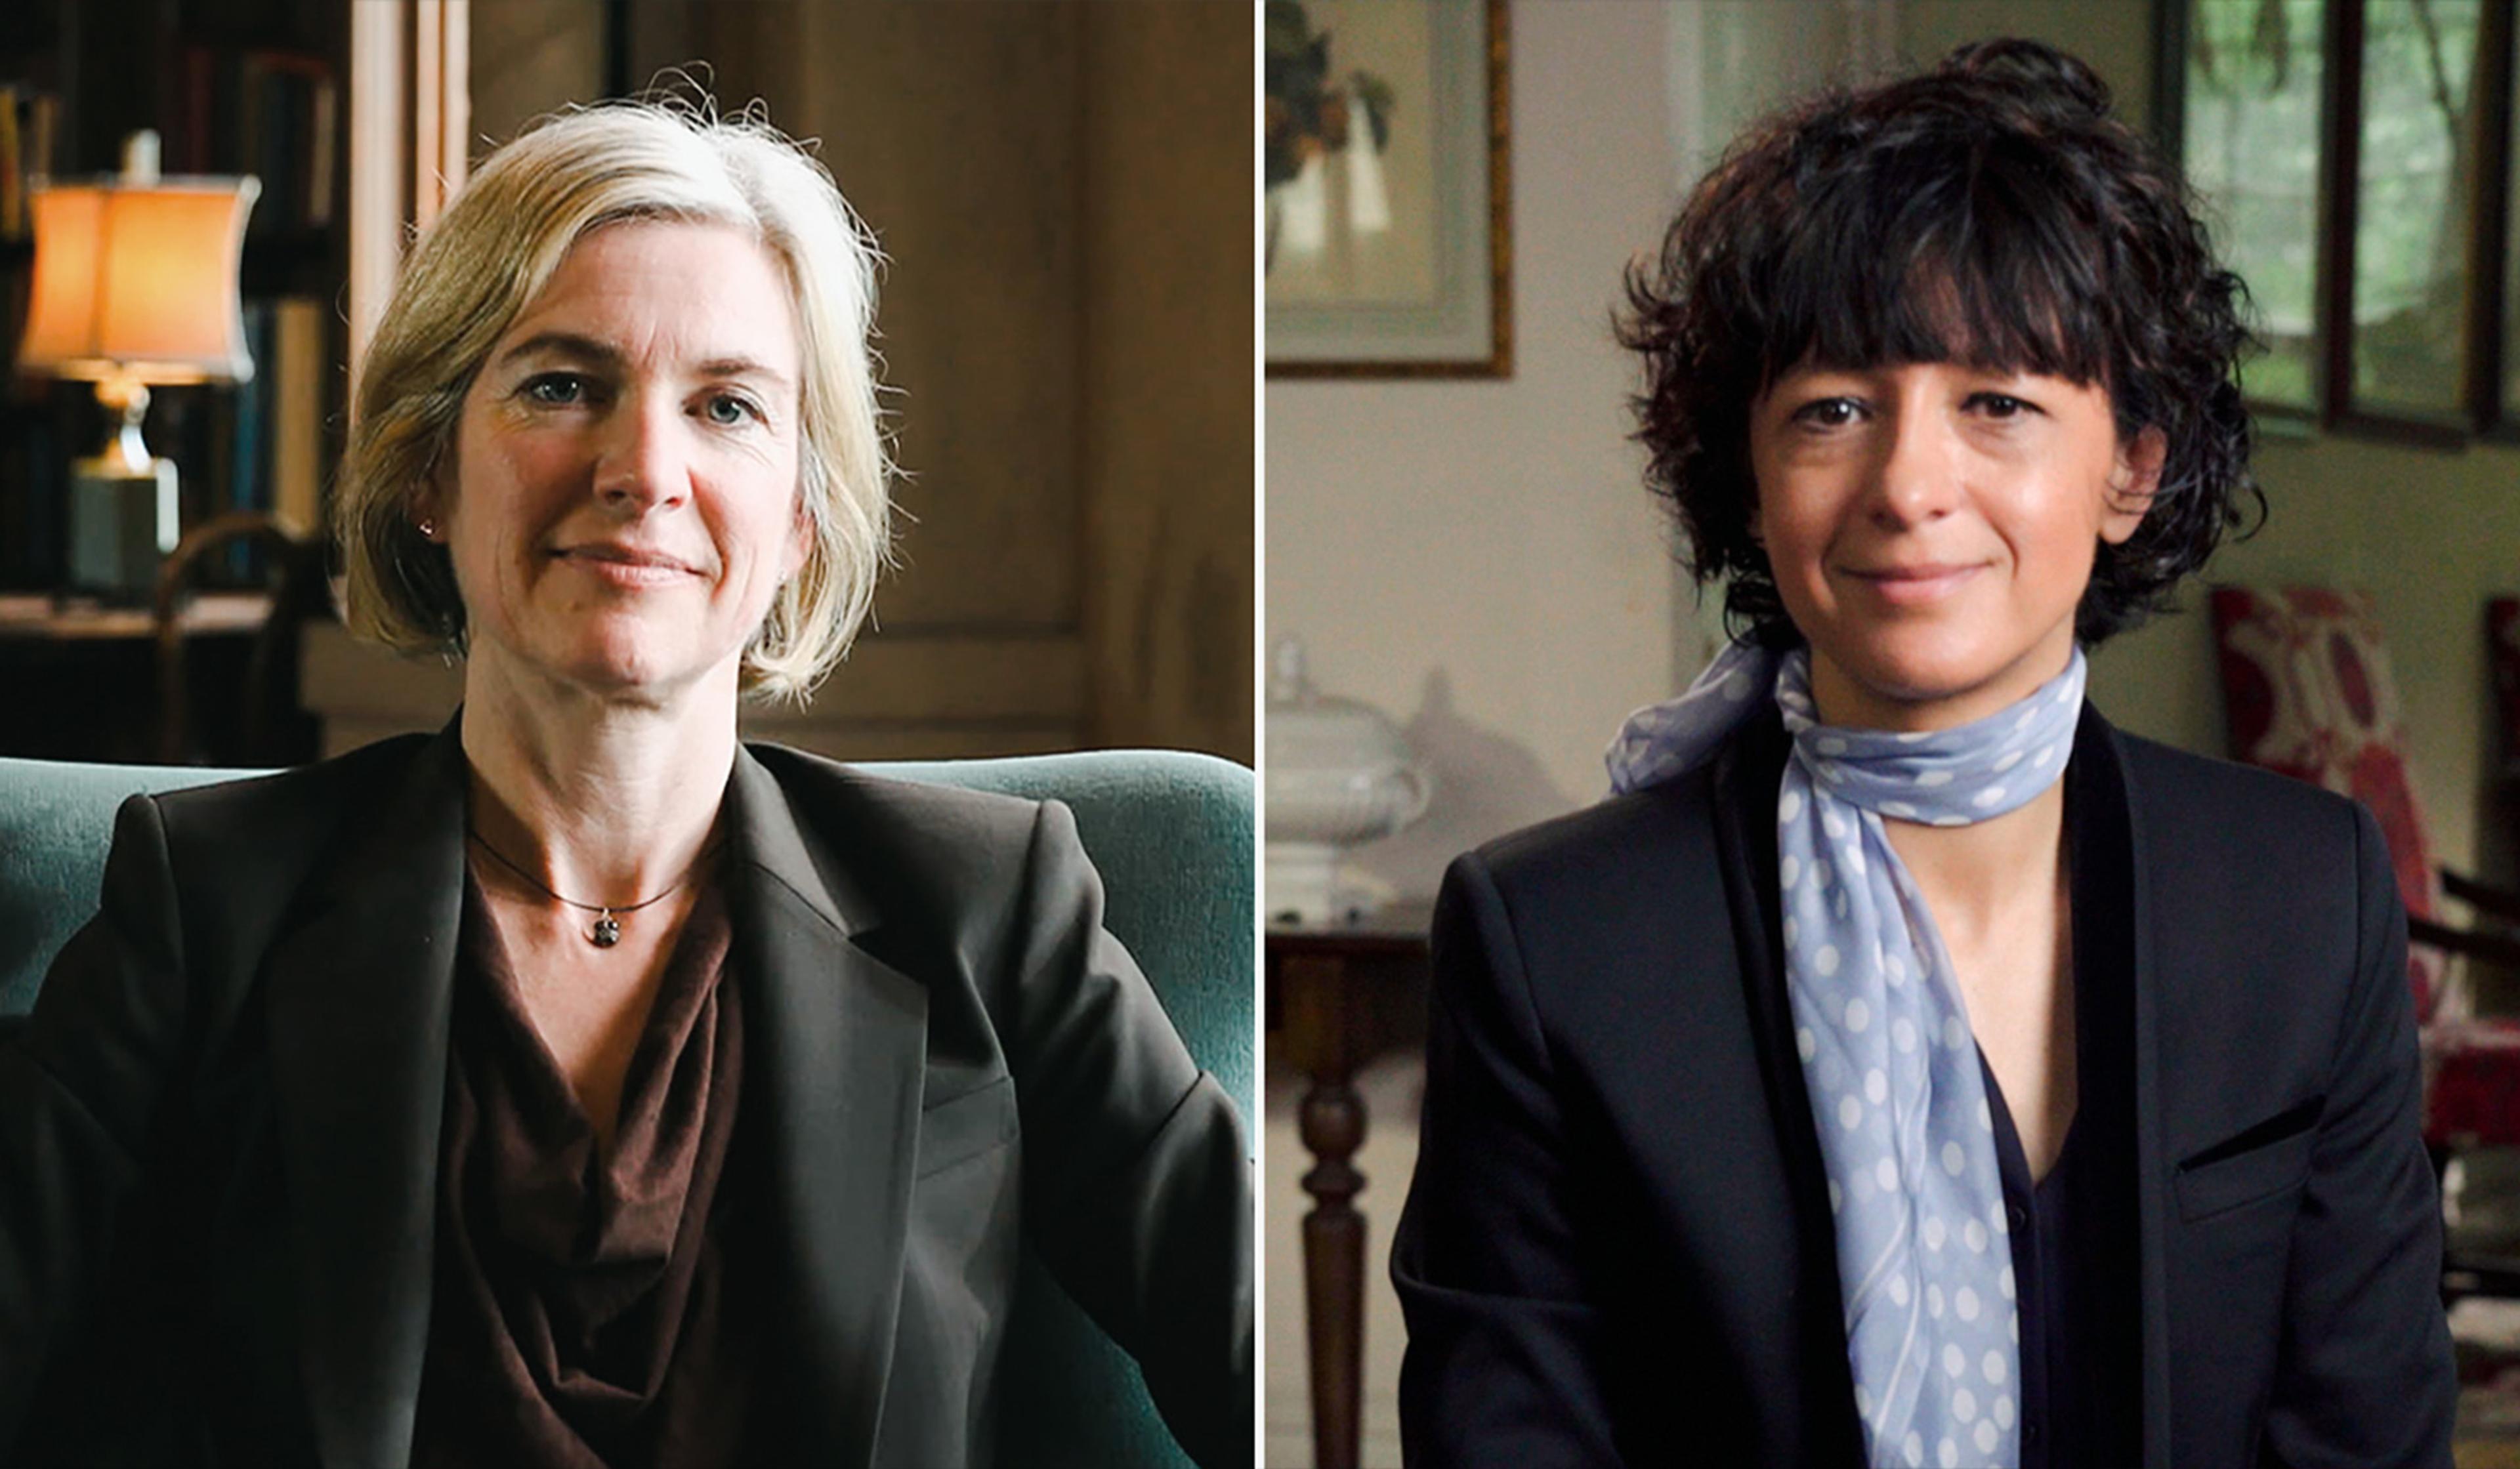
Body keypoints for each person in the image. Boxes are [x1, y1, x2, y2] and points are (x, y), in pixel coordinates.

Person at [0, 100, 1250, 1469]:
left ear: (799, 523)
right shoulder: (208, 908)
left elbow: (1266, 1357)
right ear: (428, 464)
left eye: (727, 406)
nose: (643, 469)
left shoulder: (990, 908)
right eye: (559, 384)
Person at [1390, 39, 2454, 1469]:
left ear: (2130, 465)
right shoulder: (1554, 943)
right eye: (1832, 409)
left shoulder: (2300, 898)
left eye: (1996, 403)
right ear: (1752, 480)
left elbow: (2368, 1438)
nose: (1906, 485)